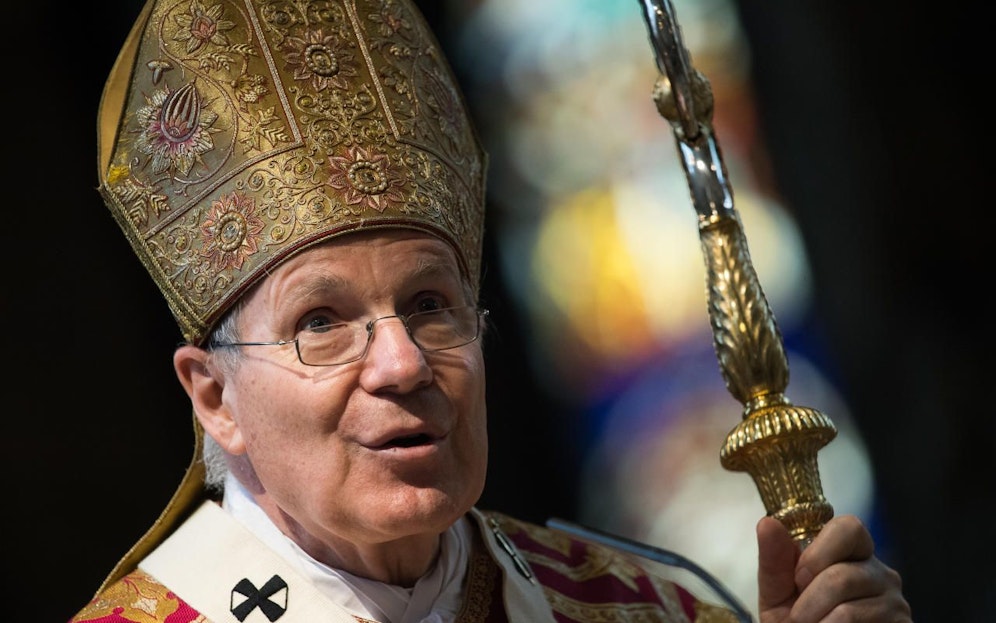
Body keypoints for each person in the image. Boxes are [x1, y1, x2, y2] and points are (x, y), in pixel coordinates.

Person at [70, 0, 912, 621]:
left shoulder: (646, 607)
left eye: (431, 303)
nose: (401, 364)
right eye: (321, 322)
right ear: (214, 396)